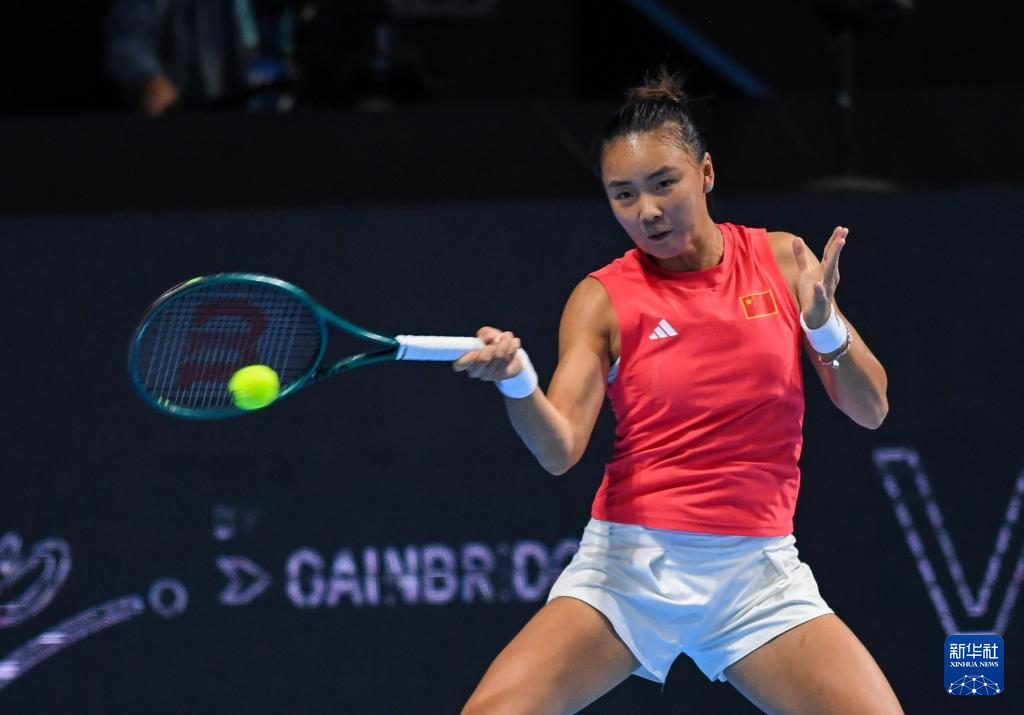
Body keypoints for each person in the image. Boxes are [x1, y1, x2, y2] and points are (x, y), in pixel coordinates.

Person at [454, 69, 904, 715]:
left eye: (664, 183)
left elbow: (871, 408)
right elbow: (559, 449)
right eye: (624, 195)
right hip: (630, 568)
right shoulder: (601, 299)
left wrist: (823, 323)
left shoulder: (782, 261)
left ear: (706, 172)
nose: (648, 211)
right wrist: (517, 382)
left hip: (757, 576)